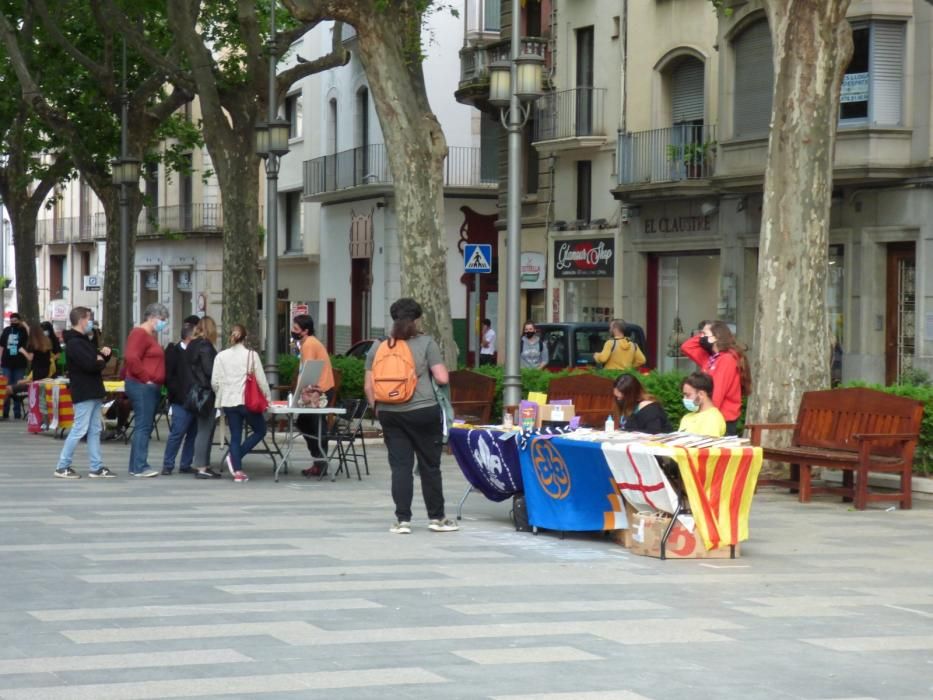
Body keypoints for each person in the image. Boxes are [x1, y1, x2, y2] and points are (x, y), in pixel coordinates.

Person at [364, 297, 458, 535]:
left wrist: (379, 408)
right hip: (423, 411)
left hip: (389, 412)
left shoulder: (379, 346)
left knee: (400, 467)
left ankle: (402, 520)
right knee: (430, 465)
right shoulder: (426, 343)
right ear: (416, 320)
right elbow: (442, 378)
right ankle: (437, 518)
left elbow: (368, 386)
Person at [53, 307, 116, 479]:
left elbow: (95, 361)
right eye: (89, 318)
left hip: (92, 390)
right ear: (81, 320)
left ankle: (96, 466)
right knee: (79, 429)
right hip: (84, 390)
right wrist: (100, 360)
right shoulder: (75, 343)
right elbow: (90, 365)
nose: (91, 322)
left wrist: (103, 357)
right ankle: (62, 465)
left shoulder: (83, 341)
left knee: (94, 429)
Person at [211, 324, 270, 483]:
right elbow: (261, 381)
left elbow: (214, 382)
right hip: (247, 401)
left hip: (228, 401)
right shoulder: (251, 355)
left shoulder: (221, 356)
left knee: (235, 435)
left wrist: (221, 394)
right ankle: (235, 456)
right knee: (260, 430)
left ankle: (237, 470)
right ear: (245, 337)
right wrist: (268, 399)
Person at [680, 320, 752, 436]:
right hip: (711, 416)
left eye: (704, 334)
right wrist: (705, 335)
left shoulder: (727, 359)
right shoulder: (712, 358)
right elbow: (686, 347)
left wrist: (709, 415)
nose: (701, 337)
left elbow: (718, 392)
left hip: (721, 418)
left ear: (717, 337)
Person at [124, 303, 169, 478]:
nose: (163, 323)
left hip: (145, 385)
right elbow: (131, 357)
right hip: (142, 385)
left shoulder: (149, 335)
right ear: (153, 317)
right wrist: (146, 378)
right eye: (163, 320)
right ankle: (139, 466)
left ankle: (137, 464)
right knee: (143, 426)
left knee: (144, 425)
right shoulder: (140, 334)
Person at [291, 314, 336, 476]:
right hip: (320, 388)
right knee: (309, 424)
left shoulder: (308, 344)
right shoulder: (309, 342)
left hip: (320, 390)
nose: (292, 331)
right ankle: (318, 460)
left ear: (305, 331)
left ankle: (320, 461)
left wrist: (307, 391)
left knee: (312, 424)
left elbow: (309, 370)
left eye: (296, 329)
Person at [161, 315, 201, 475]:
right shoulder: (174, 351)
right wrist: (177, 393)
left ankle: (186, 463)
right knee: (178, 432)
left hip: (196, 398)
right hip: (180, 400)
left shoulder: (197, 352)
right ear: (189, 337)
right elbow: (169, 376)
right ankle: (168, 464)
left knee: (193, 433)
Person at [187, 316, 221, 480]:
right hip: (206, 392)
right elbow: (209, 371)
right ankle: (201, 466)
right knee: (205, 430)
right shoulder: (205, 346)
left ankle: (203, 464)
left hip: (196, 391)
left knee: (202, 430)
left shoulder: (192, 344)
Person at [678, 372, 726, 437]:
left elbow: (707, 445)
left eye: (688, 395)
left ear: (701, 394)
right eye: (684, 395)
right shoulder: (686, 417)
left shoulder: (713, 418)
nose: (684, 399)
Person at [0, 312, 28, 419]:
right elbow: (2, 346)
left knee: (17, 387)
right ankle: (5, 411)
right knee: (5, 387)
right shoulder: (7, 330)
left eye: (16, 321)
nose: (13, 323)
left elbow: (31, 337)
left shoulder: (23, 331)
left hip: (19, 363)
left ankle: (17, 412)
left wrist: (25, 325)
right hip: (7, 362)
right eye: (11, 321)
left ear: (19, 321)